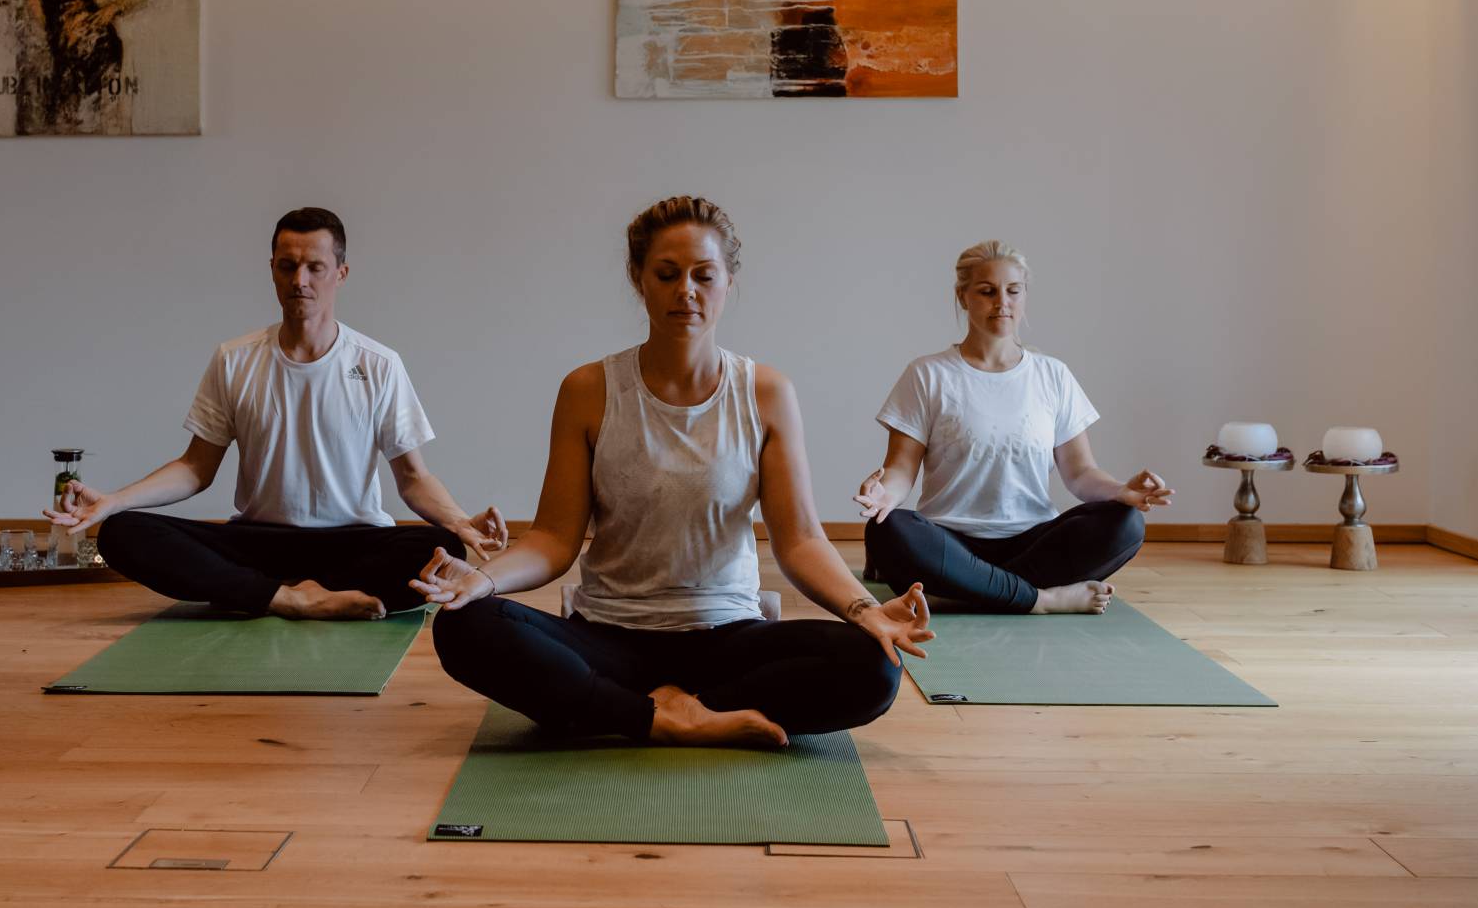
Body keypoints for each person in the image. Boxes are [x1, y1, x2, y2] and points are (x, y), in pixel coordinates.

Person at [411, 197, 933, 748]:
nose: (686, 290)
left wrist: (867, 610)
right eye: (667, 274)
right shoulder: (588, 390)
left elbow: (800, 540)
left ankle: (642, 712)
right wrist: (481, 580)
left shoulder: (767, 394)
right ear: (639, 280)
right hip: (611, 638)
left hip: (727, 639)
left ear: (728, 282)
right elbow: (553, 539)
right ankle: (668, 719)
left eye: (703, 276)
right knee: (465, 625)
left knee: (876, 665)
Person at [45, 206, 507, 620]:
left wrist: (460, 520)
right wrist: (114, 500)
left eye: (314, 267)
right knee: (122, 532)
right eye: (287, 267)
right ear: (272, 270)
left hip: (354, 541)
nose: (299, 280)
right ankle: (293, 599)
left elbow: (412, 477)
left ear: (341, 273)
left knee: (441, 547)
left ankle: (263, 595)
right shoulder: (235, 359)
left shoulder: (378, 364)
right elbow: (195, 467)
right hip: (257, 542)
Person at [856, 240, 1170, 615]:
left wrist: (1122, 491)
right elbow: (901, 470)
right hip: (950, 541)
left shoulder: (1053, 374)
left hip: (1032, 542)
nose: (1001, 302)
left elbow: (1081, 474)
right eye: (987, 291)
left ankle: (965, 593)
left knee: (1126, 524)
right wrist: (884, 496)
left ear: (1024, 296)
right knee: (886, 529)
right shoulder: (927, 374)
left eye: (1013, 291)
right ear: (963, 297)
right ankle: (1041, 599)